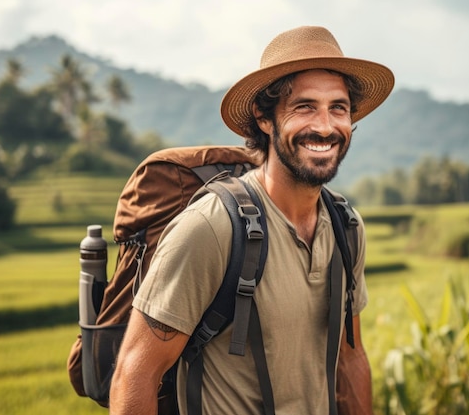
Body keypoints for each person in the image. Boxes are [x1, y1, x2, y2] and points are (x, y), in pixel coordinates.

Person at [109, 25, 394, 414]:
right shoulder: (212, 228)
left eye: (338, 108)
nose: (326, 127)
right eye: (304, 107)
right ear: (263, 117)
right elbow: (134, 375)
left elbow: (351, 357)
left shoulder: (346, 227)